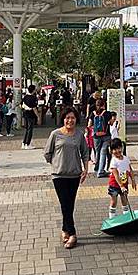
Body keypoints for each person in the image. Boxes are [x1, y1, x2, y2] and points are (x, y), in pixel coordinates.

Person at [43, 107, 89, 249]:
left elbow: (85, 152)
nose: (70, 120)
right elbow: (47, 153)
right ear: (63, 119)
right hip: (59, 175)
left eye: (72, 118)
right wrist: (57, 163)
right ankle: (73, 234)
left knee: (70, 204)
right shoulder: (55, 134)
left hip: (74, 174)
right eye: (67, 118)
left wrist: (85, 169)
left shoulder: (79, 134)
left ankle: (64, 229)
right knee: (65, 204)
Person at [107, 138, 137, 218]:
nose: (117, 151)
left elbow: (130, 170)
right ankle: (112, 217)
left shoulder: (126, 159)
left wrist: (133, 180)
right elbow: (116, 175)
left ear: (122, 147)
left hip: (124, 183)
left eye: (119, 148)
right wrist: (121, 186)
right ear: (111, 151)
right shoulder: (114, 161)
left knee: (125, 200)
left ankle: (126, 215)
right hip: (114, 185)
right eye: (114, 149)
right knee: (114, 201)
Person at [87, 99, 112, 178]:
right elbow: (111, 123)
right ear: (104, 104)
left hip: (96, 136)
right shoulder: (107, 113)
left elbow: (89, 125)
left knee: (97, 152)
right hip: (106, 135)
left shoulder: (93, 113)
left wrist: (94, 128)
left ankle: (97, 168)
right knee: (103, 152)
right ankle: (101, 171)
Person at [22, 85, 39, 149]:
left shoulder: (25, 97)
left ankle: (24, 143)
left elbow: (21, 105)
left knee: (26, 129)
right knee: (30, 130)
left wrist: (25, 108)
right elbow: (34, 108)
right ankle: (27, 144)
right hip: (31, 115)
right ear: (33, 90)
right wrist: (38, 116)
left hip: (25, 114)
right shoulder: (33, 98)